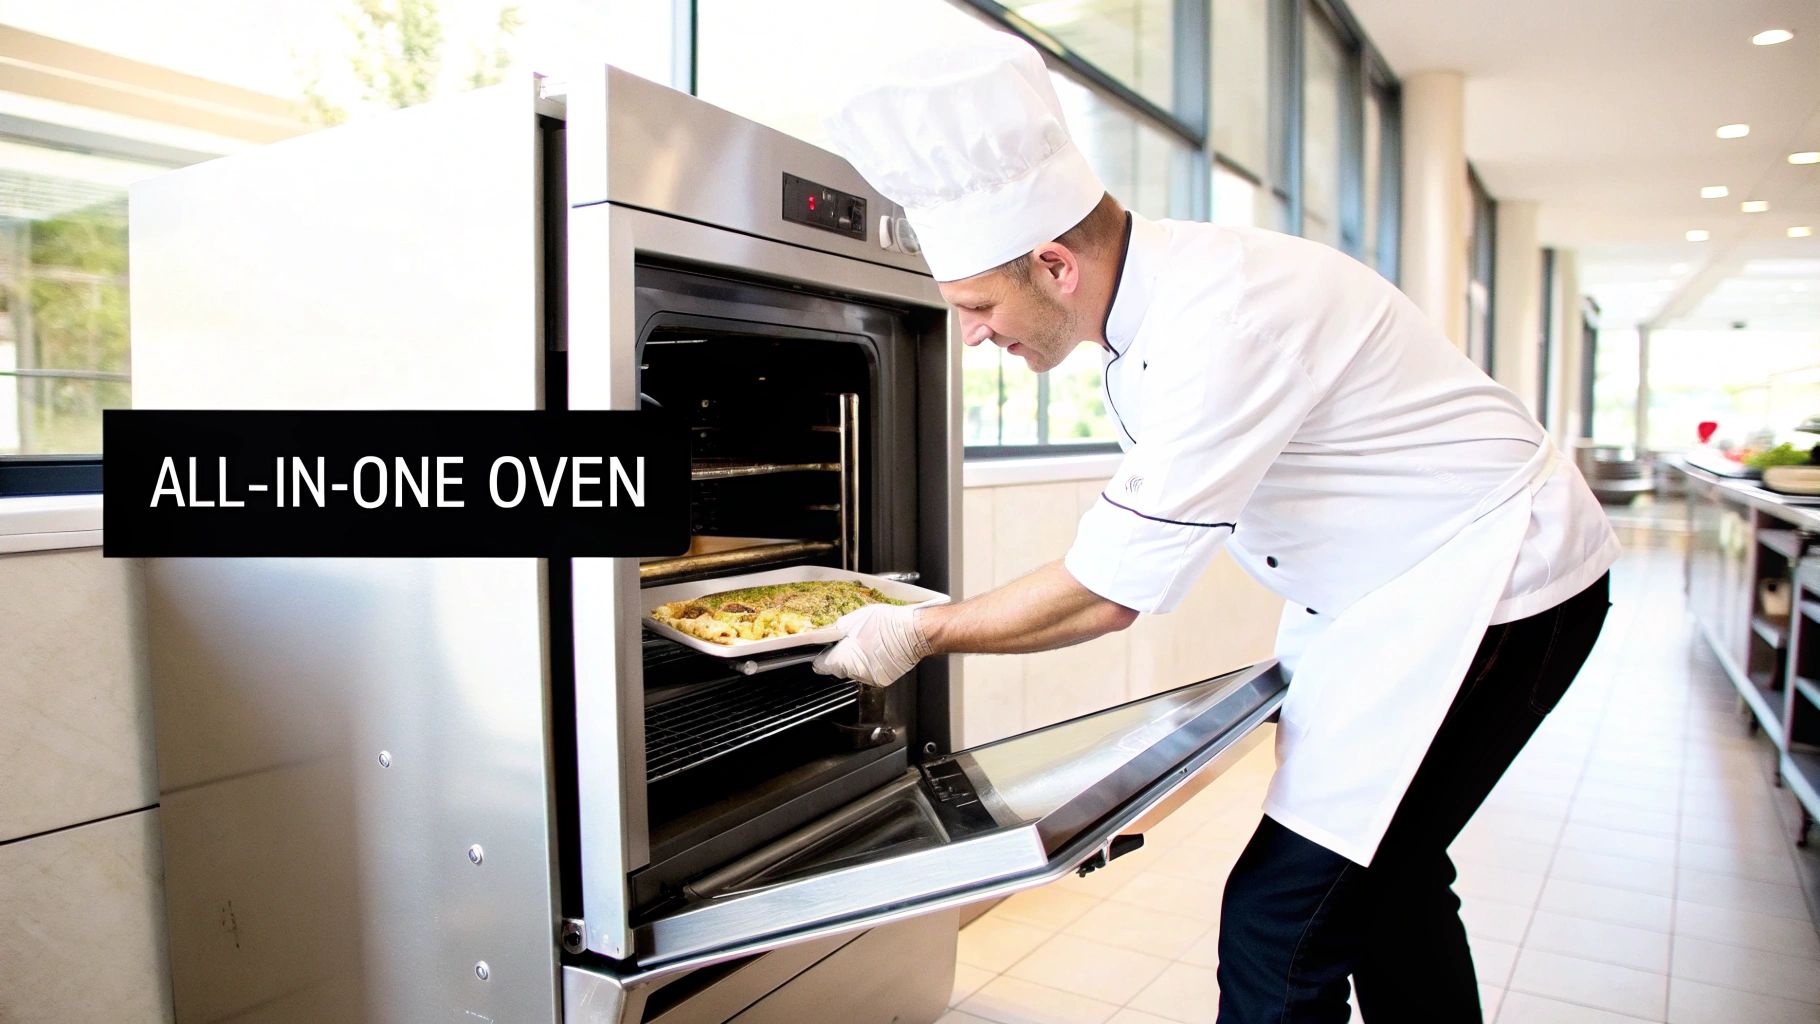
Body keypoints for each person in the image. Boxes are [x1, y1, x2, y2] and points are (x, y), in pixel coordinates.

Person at [814, 29, 1618, 1024]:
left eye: (977, 305)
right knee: (1390, 884)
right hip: (1386, 593)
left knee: (1282, 928)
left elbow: (1106, 596)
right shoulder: (1159, 306)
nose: (973, 333)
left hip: (1500, 582)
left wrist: (916, 628)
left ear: (1055, 264)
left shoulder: (1220, 320)